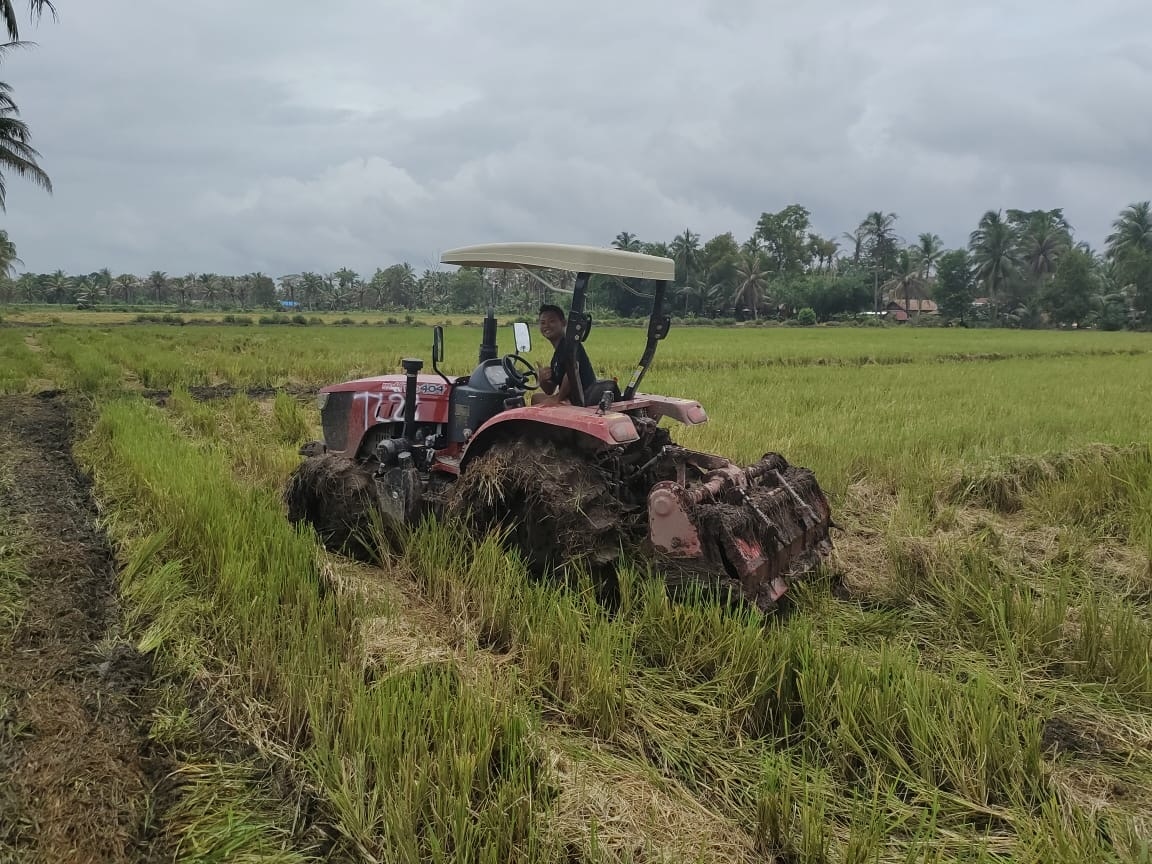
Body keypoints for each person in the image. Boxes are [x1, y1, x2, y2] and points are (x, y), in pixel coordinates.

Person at [531, 303, 596, 406]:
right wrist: (542, 379)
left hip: (583, 400)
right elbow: (549, 390)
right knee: (536, 398)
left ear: (563, 323)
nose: (546, 325)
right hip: (571, 399)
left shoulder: (570, 346)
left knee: (540, 403)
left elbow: (572, 372)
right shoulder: (557, 356)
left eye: (552, 321)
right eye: (543, 323)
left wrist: (558, 398)